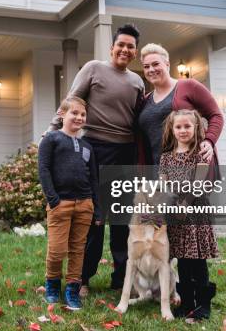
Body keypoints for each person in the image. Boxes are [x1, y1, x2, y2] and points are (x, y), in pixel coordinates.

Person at [48, 24, 145, 296]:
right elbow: (72, 100)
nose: (125, 50)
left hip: (124, 152)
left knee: (121, 220)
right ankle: (83, 279)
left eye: (130, 47)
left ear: (135, 52)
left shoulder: (137, 82)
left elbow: (138, 121)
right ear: (112, 47)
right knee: (91, 218)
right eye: (121, 44)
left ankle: (122, 278)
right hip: (94, 150)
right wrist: (53, 130)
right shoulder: (93, 68)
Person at [38, 97, 101, 310]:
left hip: (84, 204)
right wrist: (53, 199)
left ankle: (73, 289)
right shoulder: (52, 139)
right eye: (74, 113)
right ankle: (52, 285)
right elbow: (44, 169)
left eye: (83, 114)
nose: (79, 117)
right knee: (56, 250)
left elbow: (94, 178)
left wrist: (96, 208)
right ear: (61, 114)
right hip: (60, 204)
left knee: (78, 250)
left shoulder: (87, 146)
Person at [158, 109, 219, 320]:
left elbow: (199, 183)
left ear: (196, 128)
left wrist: (184, 205)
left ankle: (203, 304)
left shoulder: (201, 154)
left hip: (195, 213)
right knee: (183, 260)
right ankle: (186, 303)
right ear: (172, 129)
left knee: (197, 260)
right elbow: (163, 186)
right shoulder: (166, 158)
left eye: (187, 126)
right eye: (178, 126)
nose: (183, 130)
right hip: (175, 215)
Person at [137, 43, 223, 169]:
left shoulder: (189, 86)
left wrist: (209, 141)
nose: (151, 69)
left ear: (167, 64)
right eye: (146, 66)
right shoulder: (144, 100)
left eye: (155, 64)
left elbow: (216, 115)